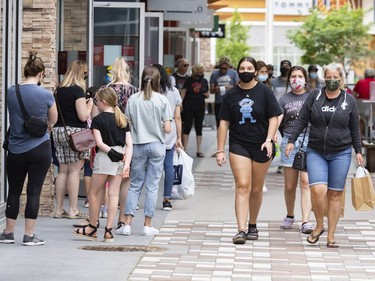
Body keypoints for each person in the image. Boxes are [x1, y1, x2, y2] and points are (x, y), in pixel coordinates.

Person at [285, 63, 363, 248]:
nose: (331, 80)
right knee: (317, 190)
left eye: (335, 77)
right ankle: (319, 225)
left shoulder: (348, 100)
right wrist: (291, 140)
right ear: (323, 78)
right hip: (316, 150)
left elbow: (354, 127)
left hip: (341, 152)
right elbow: (302, 119)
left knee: (335, 194)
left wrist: (358, 151)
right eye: (328, 77)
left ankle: (331, 235)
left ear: (341, 80)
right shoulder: (315, 96)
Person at [216, 56, 281, 244]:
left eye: (249, 68)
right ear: (237, 70)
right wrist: (220, 150)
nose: (245, 71)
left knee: (256, 189)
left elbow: (274, 117)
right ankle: (241, 229)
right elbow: (224, 123)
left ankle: (253, 224)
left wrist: (269, 140)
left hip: (262, 144)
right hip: (239, 145)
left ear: (255, 71)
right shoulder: (231, 95)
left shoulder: (265, 92)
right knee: (243, 185)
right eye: (242, 68)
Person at [0, 50, 58, 246]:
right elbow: (53, 120)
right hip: (40, 147)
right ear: (41, 74)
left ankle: (8, 233)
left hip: (15, 148)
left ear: (25, 71)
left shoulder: (10, 91)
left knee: (14, 191)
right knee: (34, 191)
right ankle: (29, 235)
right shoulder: (46, 94)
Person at [73, 87, 132, 242]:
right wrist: (126, 162)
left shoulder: (98, 120)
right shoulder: (122, 119)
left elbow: (98, 142)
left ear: (103, 102)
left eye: (97, 101)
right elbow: (129, 144)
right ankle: (109, 230)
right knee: (114, 194)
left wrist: (112, 153)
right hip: (121, 157)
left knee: (93, 193)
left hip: (106, 156)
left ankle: (92, 227)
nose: (96, 104)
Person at [123, 66, 172, 236]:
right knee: (152, 186)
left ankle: (127, 224)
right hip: (157, 145)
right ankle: (147, 225)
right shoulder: (162, 100)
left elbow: (128, 124)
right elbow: (167, 129)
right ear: (159, 81)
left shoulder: (133, 99)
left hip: (138, 145)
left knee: (135, 185)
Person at [53, 60, 94, 219]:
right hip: (76, 134)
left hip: (59, 131)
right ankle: (73, 210)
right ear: (81, 73)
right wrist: (89, 105)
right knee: (75, 171)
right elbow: (83, 115)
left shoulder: (58, 90)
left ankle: (59, 209)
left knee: (63, 171)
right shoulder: (77, 91)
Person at [104, 57, 138, 235]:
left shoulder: (107, 90)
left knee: (108, 180)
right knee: (126, 179)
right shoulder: (134, 91)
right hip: (128, 136)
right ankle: (122, 218)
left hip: (108, 138)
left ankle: (106, 216)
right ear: (127, 71)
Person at [278, 66, 313, 234]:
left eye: (299, 76)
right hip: (289, 142)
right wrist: (271, 137)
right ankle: (290, 215)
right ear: (288, 79)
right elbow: (277, 118)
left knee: (306, 182)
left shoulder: (313, 97)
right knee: (290, 185)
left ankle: (306, 220)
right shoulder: (284, 98)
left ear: (305, 79)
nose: (296, 79)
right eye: (293, 76)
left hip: (309, 141)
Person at [152, 63, 183, 211]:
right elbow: (177, 117)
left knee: (149, 167)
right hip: (169, 130)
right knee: (168, 166)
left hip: (152, 130)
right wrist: (179, 138)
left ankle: (143, 199)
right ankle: (167, 199)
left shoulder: (150, 91)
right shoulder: (174, 91)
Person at [181, 63, 210, 157]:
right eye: (200, 71)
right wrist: (180, 103)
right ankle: (185, 149)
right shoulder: (188, 80)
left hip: (200, 106)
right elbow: (184, 92)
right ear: (196, 71)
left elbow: (208, 94)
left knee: (199, 127)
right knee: (187, 126)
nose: (202, 73)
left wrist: (205, 93)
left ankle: (199, 150)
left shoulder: (204, 81)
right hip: (188, 106)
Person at [209, 57, 239, 128]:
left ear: (228, 67)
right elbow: (211, 91)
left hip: (231, 101)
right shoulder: (214, 74)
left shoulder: (233, 73)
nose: (223, 70)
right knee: (219, 124)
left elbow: (238, 87)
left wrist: (229, 87)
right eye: (221, 68)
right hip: (219, 102)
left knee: (233, 124)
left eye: (225, 69)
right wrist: (216, 89)